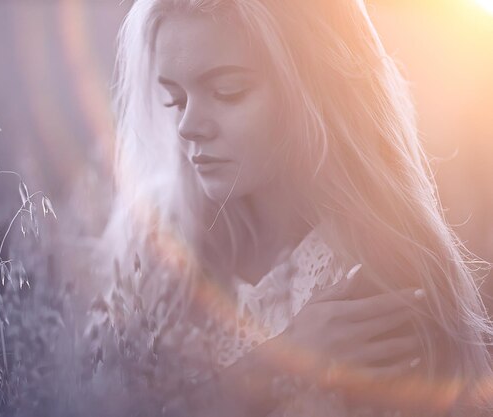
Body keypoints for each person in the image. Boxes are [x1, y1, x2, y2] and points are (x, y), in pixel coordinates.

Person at [92, 0, 493, 415]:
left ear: (315, 91)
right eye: (175, 99)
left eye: (227, 92)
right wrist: (273, 367)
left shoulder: (377, 278)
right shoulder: (160, 239)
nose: (188, 125)